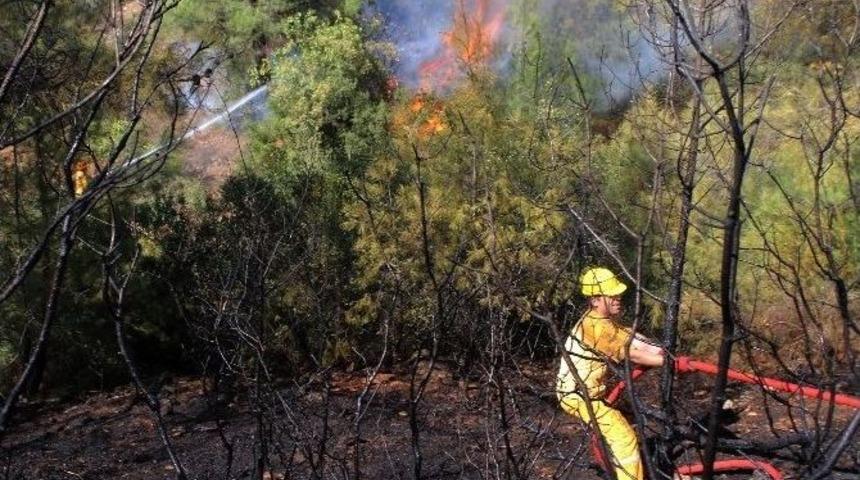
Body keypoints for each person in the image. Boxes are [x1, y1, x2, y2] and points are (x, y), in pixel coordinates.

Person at [556, 267, 666, 480]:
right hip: (579, 396)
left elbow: (627, 336)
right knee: (624, 438)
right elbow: (630, 354)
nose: (618, 298)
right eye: (611, 294)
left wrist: (656, 348)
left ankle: (628, 466)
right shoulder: (595, 328)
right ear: (595, 300)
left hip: (591, 394)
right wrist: (667, 362)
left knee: (624, 422)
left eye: (618, 293)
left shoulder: (600, 321)